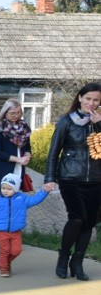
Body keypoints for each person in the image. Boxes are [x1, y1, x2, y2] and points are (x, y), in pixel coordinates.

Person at [44, 82, 101, 281]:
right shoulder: (67, 121)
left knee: (88, 224)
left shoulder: (99, 121)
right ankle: (63, 257)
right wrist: (50, 177)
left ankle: (77, 262)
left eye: (96, 100)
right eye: (88, 99)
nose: (91, 103)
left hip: (95, 179)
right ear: (80, 98)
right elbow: (54, 151)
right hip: (70, 177)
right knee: (76, 218)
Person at [0, 173, 50, 278]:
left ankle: (6, 262)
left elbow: (34, 200)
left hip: (16, 231)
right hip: (1, 231)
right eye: (3, 188)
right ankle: (3, 268)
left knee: (17, 250)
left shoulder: (22, 198)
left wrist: (44, 191)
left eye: (9, 189)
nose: (5, 191)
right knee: (4, 250)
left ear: (15, 189)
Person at [0, 99, 32, 192]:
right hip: (4, 169)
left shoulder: (24, 127)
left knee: (17, 201)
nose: (16, 115)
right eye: (12, 113)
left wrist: (28, 154)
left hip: (20, 168)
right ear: (5, 112)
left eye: (18, 112)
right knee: (3, 202)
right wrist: (18, 159)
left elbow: (28, 147)